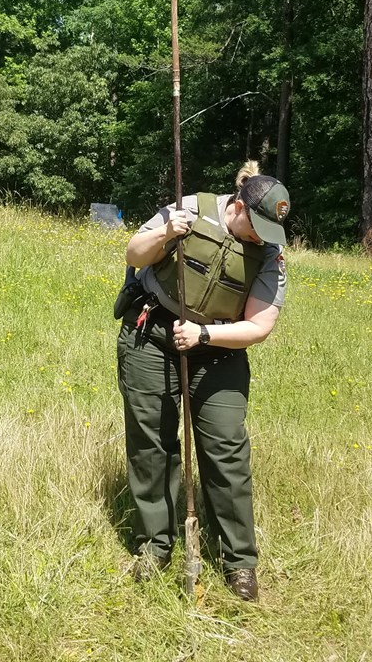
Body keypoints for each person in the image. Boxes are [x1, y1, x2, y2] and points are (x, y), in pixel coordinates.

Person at [117, 161, 290, 602]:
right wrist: (165, 233)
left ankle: (239, 562)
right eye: (259, 227)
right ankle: (155, 546)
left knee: (226, 450)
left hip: (218, 351)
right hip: (152, 334)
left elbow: (259, 326)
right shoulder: (189, 209)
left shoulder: (270, 255)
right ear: (237, 207)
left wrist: (205, 334)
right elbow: (134, 254)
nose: (263, 240)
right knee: (151, 441)